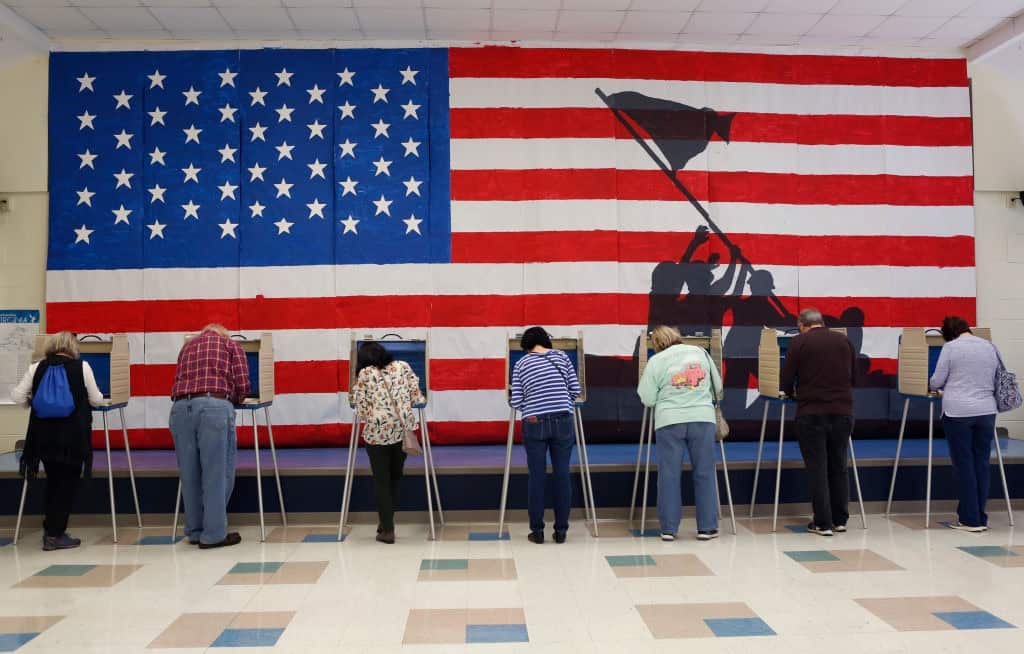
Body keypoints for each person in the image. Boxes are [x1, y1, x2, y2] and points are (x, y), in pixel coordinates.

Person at [11, 331, 103, 551]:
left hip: (42, 437)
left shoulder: (37, 367)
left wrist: (33, 404)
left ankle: (50, 529)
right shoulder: (82, 367)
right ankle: (55, 534)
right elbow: (96, 399)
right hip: (72, 438)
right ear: (73, 348)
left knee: (53, 481)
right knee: (67, 484)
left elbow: (17, 396)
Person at [637, 325, 723, 541]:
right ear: (677, 337)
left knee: (669, 474)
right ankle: (707, 527)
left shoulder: (656, 361)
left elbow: (647, 398)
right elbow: (718, 388)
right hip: (702, 418)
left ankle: (668, 529)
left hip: (669, 421)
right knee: (704, 472)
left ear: (656, 344)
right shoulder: (701, 353)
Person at [169, 324, 249, 549]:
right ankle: (214, 534)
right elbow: (243, 385)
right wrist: (235, 397)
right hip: (213, 408)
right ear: (223, 333)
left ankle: (194, 531)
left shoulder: (187, 347)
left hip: (180, 409)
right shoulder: (230, 344)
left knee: (189, 474)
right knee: (216, 473)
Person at [781, 308, 856, 537]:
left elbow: (786, 377)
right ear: (821, 322)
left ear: (802, 324)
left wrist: (790, 392)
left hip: (811, 412)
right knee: (838, 466)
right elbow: (854, 376)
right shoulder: (844, 340)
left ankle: (822, 523)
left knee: (818, 468)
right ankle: (840, 519)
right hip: (843, 411)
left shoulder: (800, 342)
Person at [509, 326, 581, 544]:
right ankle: (561, 531)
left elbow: (516, 401)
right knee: (562, 474)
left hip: (534, 422)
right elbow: (575, 390)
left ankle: (537, 531)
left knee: (537, 476)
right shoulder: (562, 357)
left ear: (526, 346)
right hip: (563, 420)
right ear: (546, 341)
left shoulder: (521, 363)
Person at [929, 316, 1000, 532]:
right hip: (987, 410)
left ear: (948, 333)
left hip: (958, 411)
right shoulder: (989, 346)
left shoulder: (951, 348)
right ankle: (980, 515)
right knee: (982, 463)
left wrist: (942, 387)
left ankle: (970, 520)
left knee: (964, 464)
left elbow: (936, 381)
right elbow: (997, 377)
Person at [351, 341, 425, 544]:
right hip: (402, 432)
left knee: (381, 481)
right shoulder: (403, 366)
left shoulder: (365, 374)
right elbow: (416, 397)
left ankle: (387, 529)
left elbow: (361, 409)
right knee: (394, 478)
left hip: (377, 435)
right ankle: (385, 522)